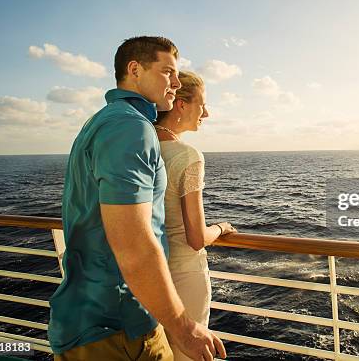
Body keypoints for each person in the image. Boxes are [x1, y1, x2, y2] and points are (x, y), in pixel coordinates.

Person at [48, 36, 226, 361]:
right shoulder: (131, 128)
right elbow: (134, 245)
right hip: (115, 326)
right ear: (134, 70)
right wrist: (183, 327)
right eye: (167, 72)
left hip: (102, 318)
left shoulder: (103, 120)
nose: (175, 83)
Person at [154, 70, 236, 361]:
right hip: (184, 277)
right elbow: (197, 237)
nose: (207, 113)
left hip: (149, 280)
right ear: (181, 105)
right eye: (202, 104)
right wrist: (222, 227)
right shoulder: (188, 155)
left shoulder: (140, 148)